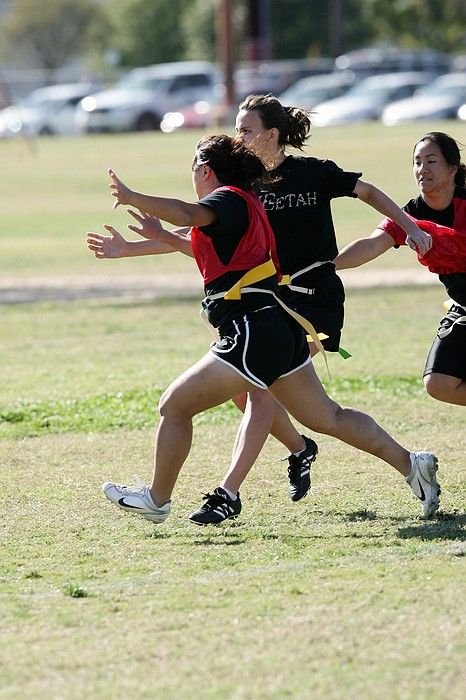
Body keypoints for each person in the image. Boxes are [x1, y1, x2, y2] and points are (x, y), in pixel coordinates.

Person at [89, 94, 433, 525]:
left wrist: (134, 196)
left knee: (180, 405)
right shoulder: (245, 194)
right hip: (276, 317)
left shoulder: (242, 195)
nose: (241, 136)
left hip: (281, 314)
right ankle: (407, 462)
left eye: (246, 129)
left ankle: (194, 495)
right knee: (326, 416)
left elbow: (187, 214)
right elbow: (191, 231)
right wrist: (131, 248)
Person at [335, 131, 466, 407]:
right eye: (417, 162)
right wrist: (327, 266)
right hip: (463, 306)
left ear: (452, 169)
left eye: (431, 161)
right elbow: (371, 245)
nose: (422, 169)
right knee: (439, 382)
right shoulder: (409, 216)